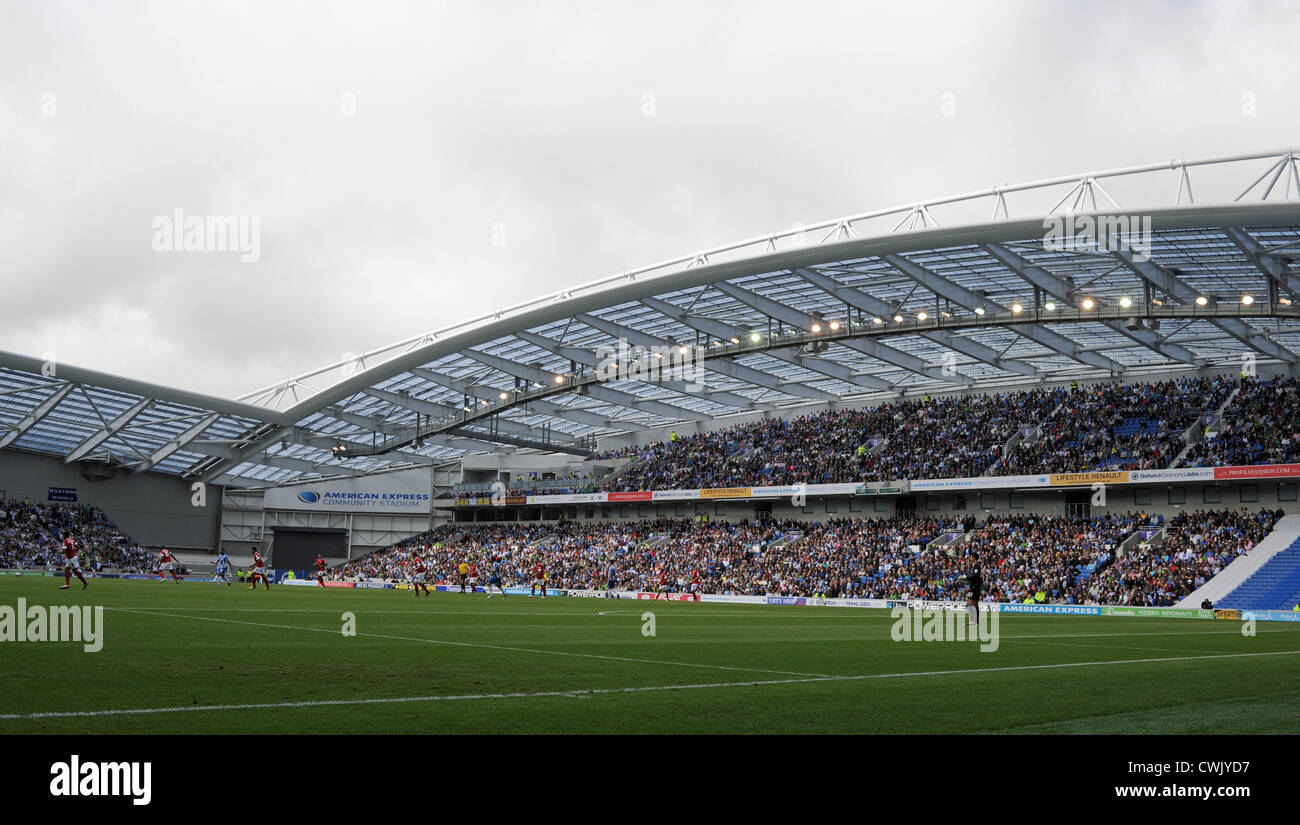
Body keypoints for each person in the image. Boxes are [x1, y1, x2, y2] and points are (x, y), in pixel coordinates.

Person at [966, 560, 983, 626]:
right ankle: (975, 621)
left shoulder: (976, 566)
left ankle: (974, 621)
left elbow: (975, 576)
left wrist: (967, 577)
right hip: (973, 588)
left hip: (974, 588)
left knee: (970, 603)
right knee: (972, 603)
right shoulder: (974, 567)